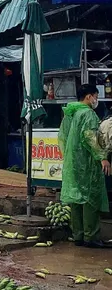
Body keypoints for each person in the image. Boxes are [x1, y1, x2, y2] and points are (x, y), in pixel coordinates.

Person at [58, 84, 111, 248]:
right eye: (96, 96)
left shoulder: (70, 113)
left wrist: (69, 156)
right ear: (89, 96)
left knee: (76, 198)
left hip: (73, 162)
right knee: (90, 199)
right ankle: (91, 236)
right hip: (86, 162)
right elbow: (90, 138)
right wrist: (102, 158)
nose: (96, 99)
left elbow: (62, 137)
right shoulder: (88, 114)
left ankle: (78, 235)